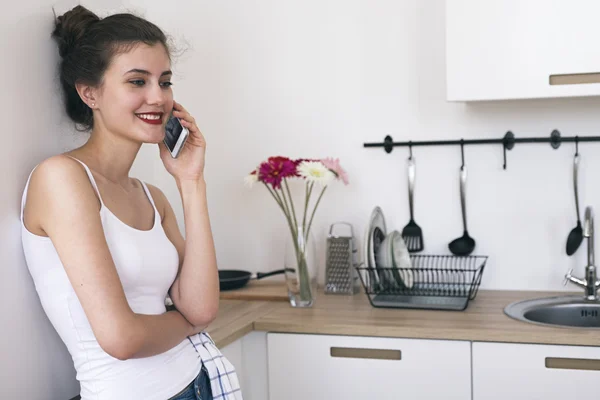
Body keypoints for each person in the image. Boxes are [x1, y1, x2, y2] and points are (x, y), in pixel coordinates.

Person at [20, 5, 242, 400]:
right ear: (90, 93)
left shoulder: (151, 197)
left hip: (199, 380)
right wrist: (188, 324)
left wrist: (191, 183)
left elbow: (202, 307)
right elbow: (121, 339)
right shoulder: (61, 178)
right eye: (137, 81)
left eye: (165, 81)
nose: (158, 97)